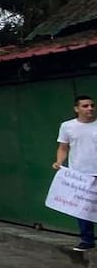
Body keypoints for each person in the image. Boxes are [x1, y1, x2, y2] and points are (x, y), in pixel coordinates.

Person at [54, 94, 97, 252]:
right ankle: (87, 240)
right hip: (80, 174)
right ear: (76, 108)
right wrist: (59, 162)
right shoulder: (67, 126)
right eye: (85, 106)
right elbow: (63, 147)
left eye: (92, 105)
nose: (90, 108)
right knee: (83, 208)